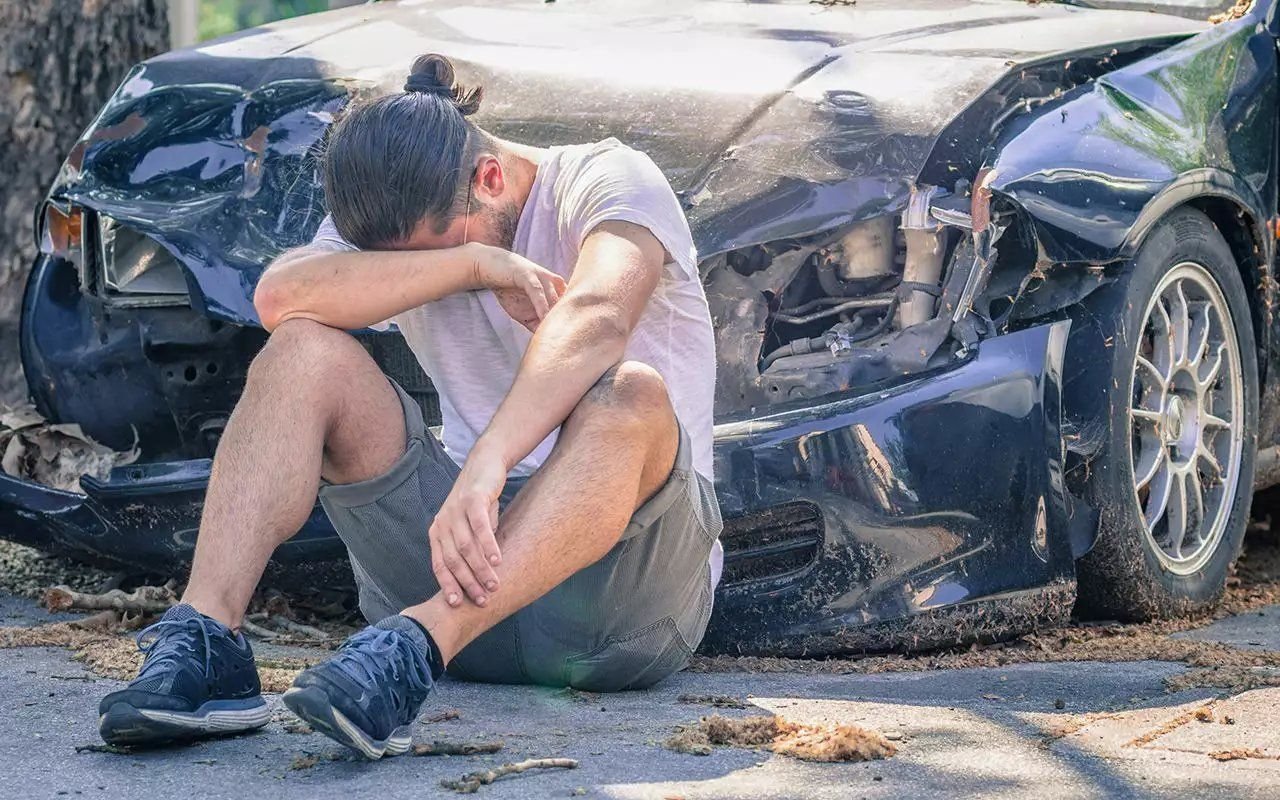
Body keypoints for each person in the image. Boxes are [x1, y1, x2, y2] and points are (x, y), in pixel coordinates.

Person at [96, 53, 723, 759]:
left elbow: (599, 314)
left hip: (621, 608)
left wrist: (491, 460)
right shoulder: (405, 219)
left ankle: (422, 643)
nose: (425, 273)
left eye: (441, 249)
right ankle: (209, 641)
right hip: (454, 564)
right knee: (303, 347)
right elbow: (279, 297)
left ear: (490, 179)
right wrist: (469, 262)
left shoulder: (610, 178)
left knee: (631, 391)